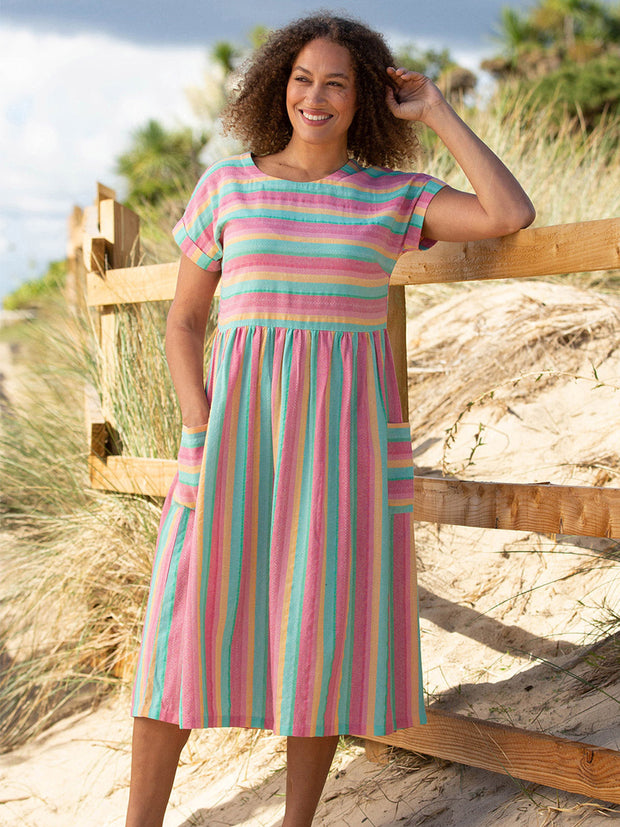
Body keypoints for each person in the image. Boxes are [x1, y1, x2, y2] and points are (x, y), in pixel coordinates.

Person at [126, 13, 535, 827]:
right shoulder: (226, 187)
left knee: (314, 635)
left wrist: (438, 111)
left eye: (337, 84)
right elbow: (184, 321)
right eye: (303, 78)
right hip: (232, 445)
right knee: (179, 633)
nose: (315, 97)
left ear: (363, 99)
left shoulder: (390, 196)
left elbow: (507, 213)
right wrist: (198, 427)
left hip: (340, 454)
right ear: (278, 85)